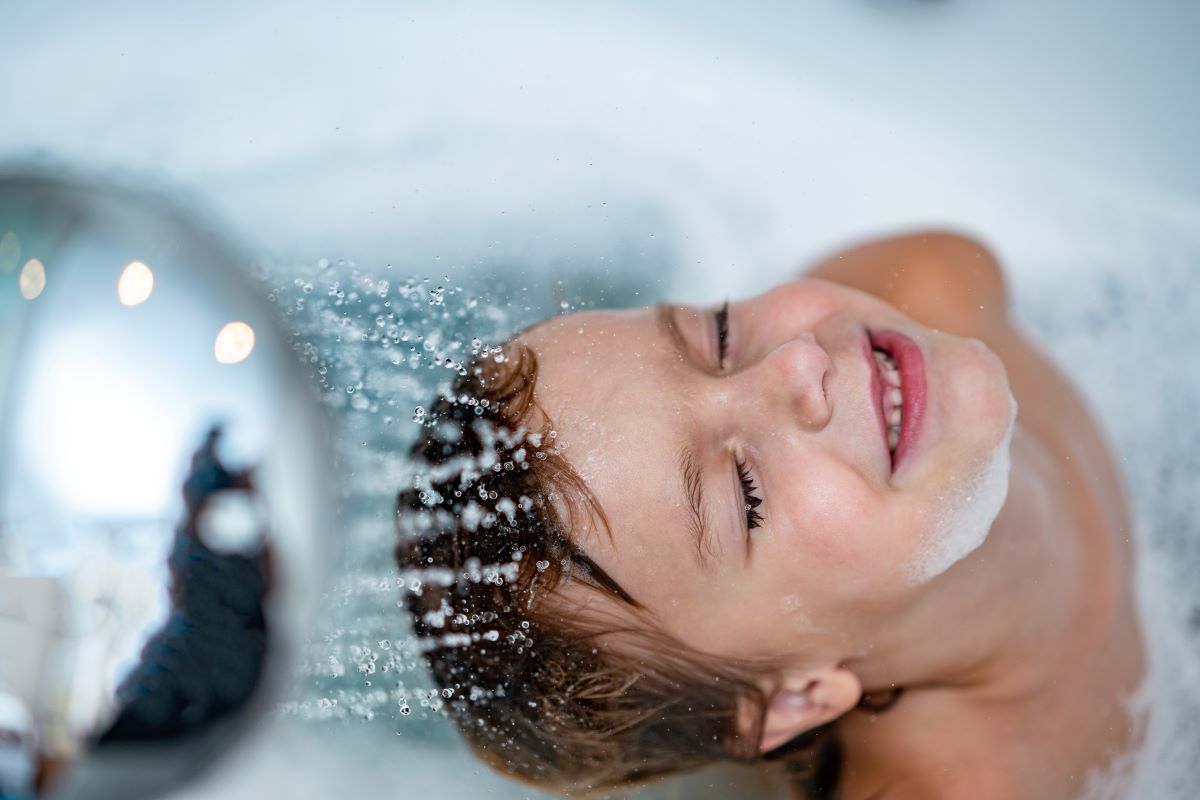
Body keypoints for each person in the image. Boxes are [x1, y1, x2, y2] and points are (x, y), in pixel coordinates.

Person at [395, 230, 1146, 799]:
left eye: (717, 338)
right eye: (745, 495)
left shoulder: (933, 279)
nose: (796, 364)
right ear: (798, 697)